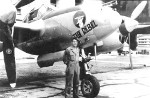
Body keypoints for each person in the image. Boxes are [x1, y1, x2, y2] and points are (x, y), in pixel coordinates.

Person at [0, 0, 17, 88]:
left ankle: (12, 80)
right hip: (5, 28)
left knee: (9, 54)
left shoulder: (11, 9)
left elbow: (11, 24)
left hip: (5, 30)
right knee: (9, 55)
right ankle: (12, 81)